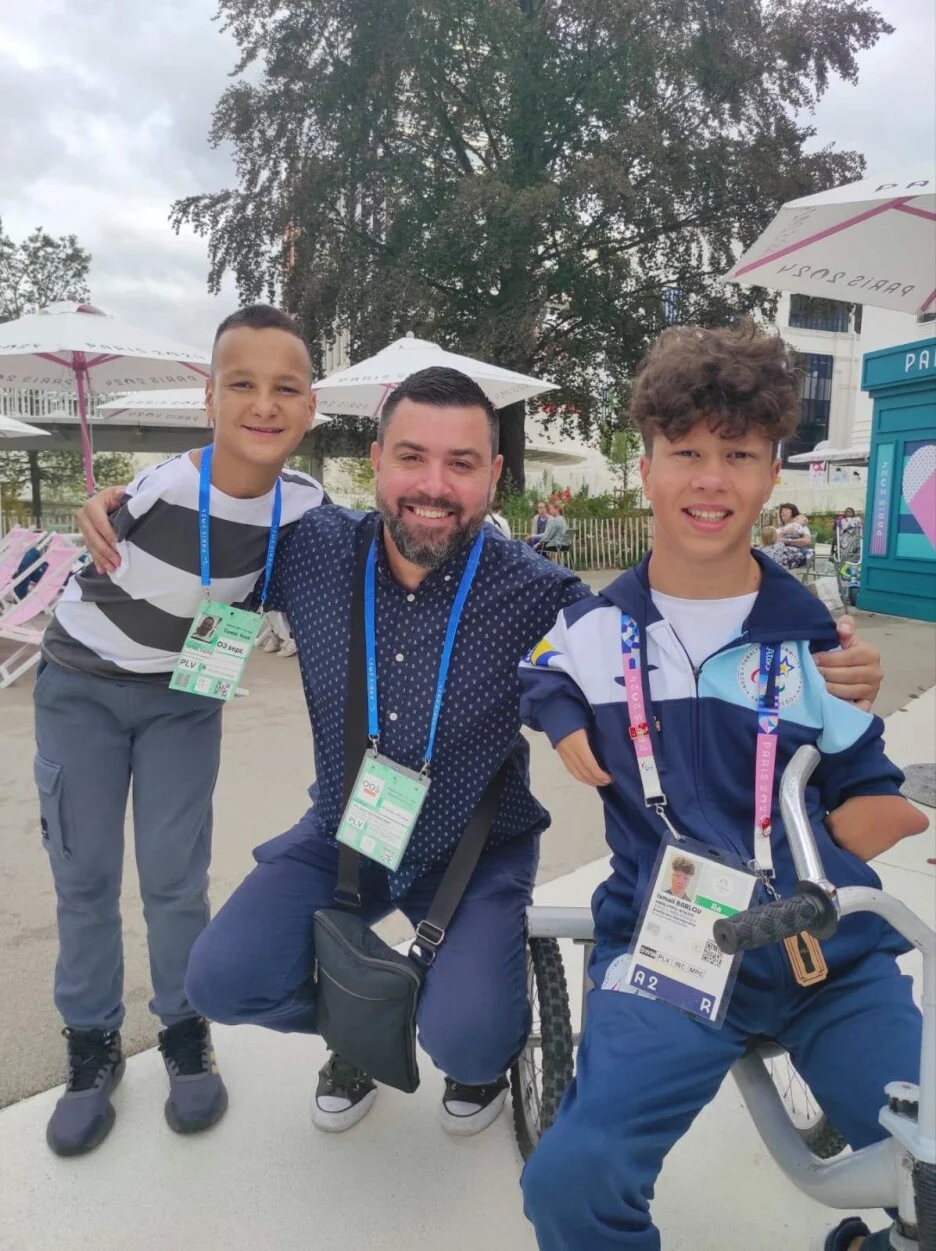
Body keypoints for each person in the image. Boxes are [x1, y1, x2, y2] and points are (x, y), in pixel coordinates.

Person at [77, 369, 885, 1143]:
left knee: (470, 1040)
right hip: (346, 830)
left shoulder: (539, 591)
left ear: (494, 475)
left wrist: (808, 650)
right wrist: (129, 506)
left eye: (461, 463)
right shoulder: (313, 548)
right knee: (220, 978)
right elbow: (215, 543)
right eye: (412, 457)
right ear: (376, 460)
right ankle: (361, 1029)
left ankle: (462, 1043)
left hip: (476, 844)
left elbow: (667, 639)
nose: (434, 485)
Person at [517, 324, 926, 1251]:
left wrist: (832, 848)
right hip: (671, 950)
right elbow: (536, 670)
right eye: (686, 452)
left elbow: (871, 788)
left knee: (931, 1167)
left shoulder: (817, 642)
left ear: (773, 471)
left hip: (829, 959)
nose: (711, 479)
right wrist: (562, 711)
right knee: (570, 1183)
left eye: (738, 454)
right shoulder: (591, 630)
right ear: (646, 468)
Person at [37, 304, 324, 1157]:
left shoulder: (306, 508)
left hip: (183, 700)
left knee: (175, 876)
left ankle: (184, 1028)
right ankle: (91, 1043)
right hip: (82, 688)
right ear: (210, 397)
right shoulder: (160, 488)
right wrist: (93, 505)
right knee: (85, 875)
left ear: (311, 406)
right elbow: (92, 536)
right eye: (242, 384)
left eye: (286, 388)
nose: (263, 405)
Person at [772, 501, 813, 570]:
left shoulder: (801, 527)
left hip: (793, 554)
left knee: (774, 562)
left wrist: (787, 540)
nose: (782, 512)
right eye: (781, 510)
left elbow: (806, 541)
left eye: (786, 509)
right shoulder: (778, 529)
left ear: (793, 512)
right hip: (777, 552)